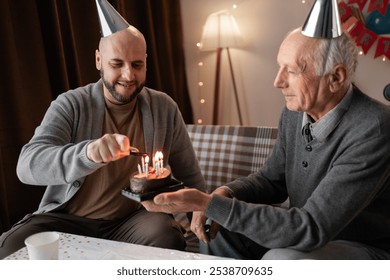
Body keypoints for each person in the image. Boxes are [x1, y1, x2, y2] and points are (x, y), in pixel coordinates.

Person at [142, 27, 390, 260]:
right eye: (280, 67)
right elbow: (272, 181)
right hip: (309, 234)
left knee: (280, 259)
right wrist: (225, 194)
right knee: (218, 226)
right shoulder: (295, 114)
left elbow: (311, 227)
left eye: (291, 71)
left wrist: (205, 202)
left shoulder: (374, 129)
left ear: (336, 77)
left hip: (364, 248)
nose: (278, 81)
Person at [0, 25, 205, 259]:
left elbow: (190, 177)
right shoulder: (70, 105)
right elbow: (27, 166)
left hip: (132, 221)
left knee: (167, 236)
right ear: (98, 60)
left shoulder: (164, 108)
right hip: (68, 219)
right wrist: (88, 154)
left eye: (137, 65)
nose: (128, 76)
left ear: (146, 61)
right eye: (116, 64)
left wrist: (201, 213)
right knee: (9, 249)